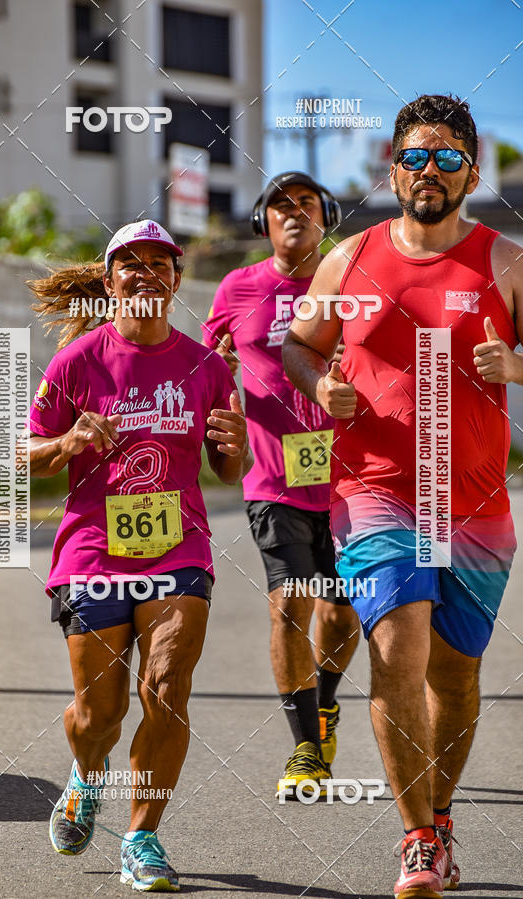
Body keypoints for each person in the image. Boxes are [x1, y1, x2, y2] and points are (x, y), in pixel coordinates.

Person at [283, 95, 523, 897]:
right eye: (416, 157)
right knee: (398, 649)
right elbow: (298, 345)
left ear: (472, 169)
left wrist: (515, 369)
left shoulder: (505, 262)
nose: (430, 171)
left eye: (447, 157)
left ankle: (442, 816)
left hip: (478, 504)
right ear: (392, 167)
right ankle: (416, 838)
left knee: (454, 677)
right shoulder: (348, 259)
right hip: (376, 493)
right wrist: (323, 385)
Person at [26, 219, 251, 892]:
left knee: (167, 688)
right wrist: (67, 443)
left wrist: (234, 443)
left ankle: (142, 837)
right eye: (131, 262)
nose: (146, 272)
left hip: (178, 551)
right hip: (93, 553)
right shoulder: (76, 362)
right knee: (98, 716)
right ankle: (86, 773)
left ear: (177, 280)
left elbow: (225, 468)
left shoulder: (207, 366)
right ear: (108, 279)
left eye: (161, 262)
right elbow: (22, 458)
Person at [202, 172, 359, 798]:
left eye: (307, 204)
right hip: (273, 478)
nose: (294, 213)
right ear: (262, 223)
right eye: (279, 205)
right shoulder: (238, 287)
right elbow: (209, 363)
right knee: (292, 599)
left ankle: (323, 702)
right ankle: (305, 749)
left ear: (327, 216)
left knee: (341, 610)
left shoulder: (356, 283)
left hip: (352, 483)